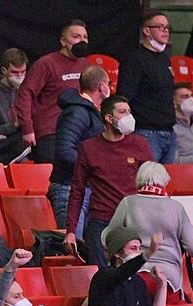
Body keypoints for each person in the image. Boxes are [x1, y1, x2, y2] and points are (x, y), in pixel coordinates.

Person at [65, 96, 153, 268]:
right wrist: (71, 231)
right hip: (101, 220)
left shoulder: (140, 144)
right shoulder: (88, 148)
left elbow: (153, 183)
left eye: (129, 111)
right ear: (108, 118)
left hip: (133, 221)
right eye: (122, 112)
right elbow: (77, 191)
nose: (128, 116)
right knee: (101, 274)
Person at [104, 162, 193, 301]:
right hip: (167, 279)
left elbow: (106, 238)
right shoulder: (176, 207)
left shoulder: (128, 203)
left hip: (133, 274)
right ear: (165, 181)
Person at [13, 19, 90, 163]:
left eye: (85, 37)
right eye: (76, 36)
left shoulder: (85, 64)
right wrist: (28, 129)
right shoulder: (46, 64)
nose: (82, 41)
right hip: (50, 133)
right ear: (63, 41)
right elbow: (25, 94)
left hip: (78, 132)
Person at [48, 66, 109, 228]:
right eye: (108, 84)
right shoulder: (77, 112)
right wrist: (94, 167)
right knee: (73, 241)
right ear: (102, 86)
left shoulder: (89, 111)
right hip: (68, 189)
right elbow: (65, 151)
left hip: (84, 189)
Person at [80, 227, 158, 306]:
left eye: (140, 249)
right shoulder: (103, 276)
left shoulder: (138, 283)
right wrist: (146, 254)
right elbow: (120, 274)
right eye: (133, 248)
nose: (138, 252)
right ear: (117, 253)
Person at [117, 11, 177, 164]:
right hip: (146, 132)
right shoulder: (134, 58)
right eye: (160, 27)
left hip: (168, 131)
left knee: (168, 178)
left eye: (167, 27)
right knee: (146, 177)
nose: (165, 31)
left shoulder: (165, 58)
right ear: (146, 30)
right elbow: (124, 95)